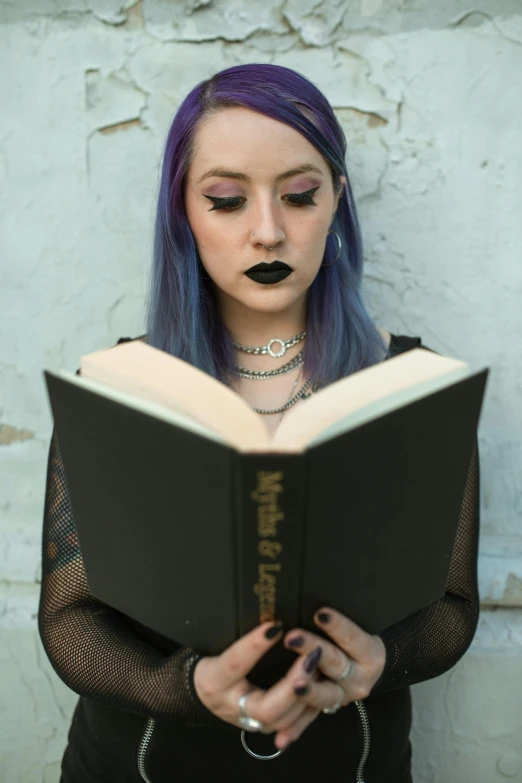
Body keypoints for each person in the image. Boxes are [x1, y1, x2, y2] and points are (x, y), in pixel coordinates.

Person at [38, 63, 480, 783]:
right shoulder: (120, 386)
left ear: (337, 198)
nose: (267, 232)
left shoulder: (415, 386)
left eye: (300, 195)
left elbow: (454, 607)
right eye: (225, 200)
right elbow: (68, 618)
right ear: (183, 209)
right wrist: (186, 685)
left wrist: (383, 657)